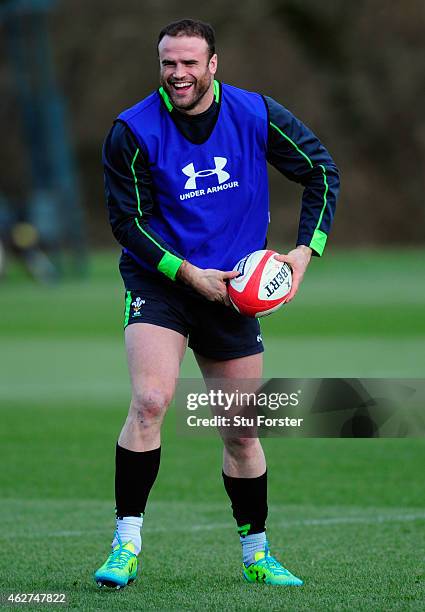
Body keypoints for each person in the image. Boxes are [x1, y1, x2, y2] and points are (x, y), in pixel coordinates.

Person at [95, 18, 339, 589]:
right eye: (167, 63)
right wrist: (186, 273)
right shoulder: (131, 130)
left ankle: (257, 553)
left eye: (188, 63)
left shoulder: (255, 114)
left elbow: (321, 172)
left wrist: (305, 252)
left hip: (233, 291)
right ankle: (125, 544)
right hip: (163, 281)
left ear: (212, 65)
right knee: (151, 399)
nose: (176, 74)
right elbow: (124, 222)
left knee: (241, 430)